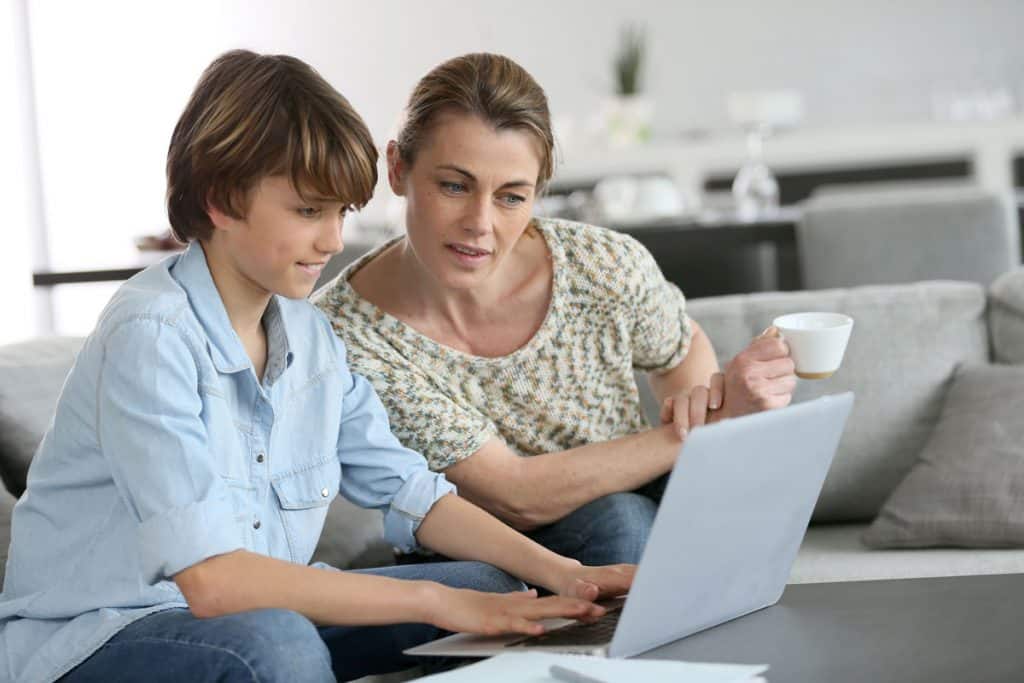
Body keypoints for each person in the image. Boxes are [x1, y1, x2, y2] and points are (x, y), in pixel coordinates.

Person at [0, 50, 634, 683]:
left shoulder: (311, 337)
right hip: (103, 638)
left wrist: (564, 575)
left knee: (493, 587)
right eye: (308, 211)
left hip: (260, 615)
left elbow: (411, 492)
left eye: (341, 214)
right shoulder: (152, 335)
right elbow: (214, 583)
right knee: (276, 645)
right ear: (222, 198)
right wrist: (433, 600)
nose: (332, 241)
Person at [313, 52, 797, 568]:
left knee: (663, 508)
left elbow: (680, 349)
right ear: (397, 168)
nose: (481, 223)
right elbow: (513, 496)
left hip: (632, 510)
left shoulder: (603, 266)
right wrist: (707, 427)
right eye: (454, 186)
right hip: (478, 558)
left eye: (511, 197)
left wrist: (699, 417)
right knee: (622, 522)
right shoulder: (346, 337)